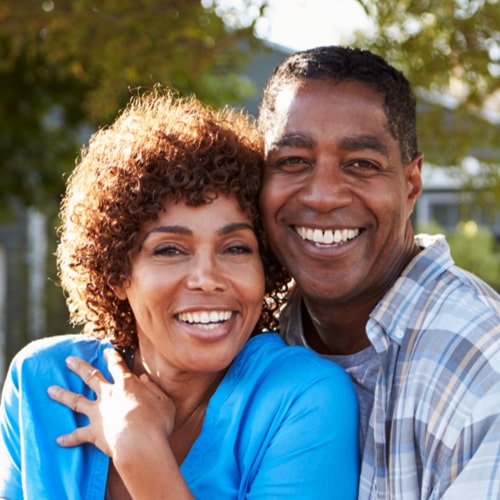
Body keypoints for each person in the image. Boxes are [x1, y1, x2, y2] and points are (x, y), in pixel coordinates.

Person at [0, 89, 359, 499]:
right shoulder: (42, 382)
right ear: (118, 271)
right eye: (169, 250)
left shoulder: (303, 399)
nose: (207, 279)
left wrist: (137, 448)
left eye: (236, 248)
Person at [257, 45, 500, 499]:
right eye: (293, 162)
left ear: (411, 185)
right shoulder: (245, 336)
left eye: (361, 165)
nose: (323, 196)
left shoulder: (483, 369)